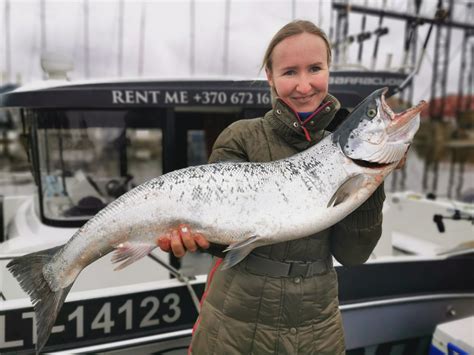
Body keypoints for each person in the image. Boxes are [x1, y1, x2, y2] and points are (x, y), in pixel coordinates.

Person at [158, 20, 389, 354]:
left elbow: (353, 255)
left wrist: (372, 180)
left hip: (317, 329)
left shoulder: (342, 150)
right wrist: (189, 238)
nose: (304, 85)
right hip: (235, 326)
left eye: (315, 68)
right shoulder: (241, 136)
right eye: (289, 72)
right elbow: (220, 242)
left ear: (329, 70)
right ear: (270, 76)